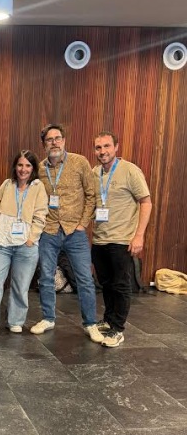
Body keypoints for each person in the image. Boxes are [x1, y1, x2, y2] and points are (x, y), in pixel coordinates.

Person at [30, 123, 103, 343]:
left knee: (85, 279)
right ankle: (48, 318)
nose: (54, 143)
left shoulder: (80, 162)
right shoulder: (39, 169)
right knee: (46, 277)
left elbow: (91, 195)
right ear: (43, 144)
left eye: (57, 138)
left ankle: (90, 323)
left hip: (75, 231)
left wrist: (83, 224)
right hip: (49, 230)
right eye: (49, 139)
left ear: (64, 141)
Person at [0, 151, 48, 336]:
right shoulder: (8, 184)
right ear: (15, 167)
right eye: (20, 165)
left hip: (26, 244)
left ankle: (15, 321)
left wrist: (31, 238)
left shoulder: (38, 187)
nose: (23, 169)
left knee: (20, 285)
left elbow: (41, 215)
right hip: (2, 243)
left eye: (28, 166)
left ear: (33, 168)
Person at [91, 132, 152, 347]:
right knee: (106, 283)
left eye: (107, 146)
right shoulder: (95, 173)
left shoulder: (130, 170)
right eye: (98, 147)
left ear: (116, 147)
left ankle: (117, 328)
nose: (102, 151)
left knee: (121, 284)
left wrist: (139, 235)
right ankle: (109, 320)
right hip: (99, 239)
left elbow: (146, 202)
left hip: (122, 239)